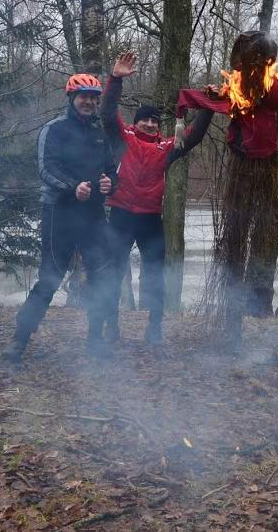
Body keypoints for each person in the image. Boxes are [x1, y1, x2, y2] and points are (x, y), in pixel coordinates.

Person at [1, 73, 119, 363]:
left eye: (94, 98)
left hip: (92, 215)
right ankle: (18, 341)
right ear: (71, 98)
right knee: (50, 279)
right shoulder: (54, 129)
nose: (89, 102)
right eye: (84, 97)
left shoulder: (98, 133)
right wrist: (71, 187)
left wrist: (110, 184)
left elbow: (111, 170)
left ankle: (95, 341)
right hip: (60, 213)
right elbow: (46, 168)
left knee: (102, 276)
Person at [100, 52, 214, 345]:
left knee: (155, 274)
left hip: (150, 219)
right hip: (122, 215)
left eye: (154, 121)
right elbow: (107, 112)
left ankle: (154, 326)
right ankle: (111, 325)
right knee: (113, 272)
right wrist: (115, 79)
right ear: (136, 123)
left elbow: (194, 135)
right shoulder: (122, 138)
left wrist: (208, 107)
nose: (150, 125)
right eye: (145, 121)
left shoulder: (166, 148)